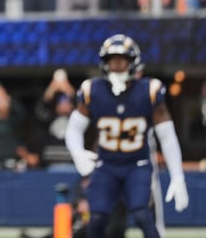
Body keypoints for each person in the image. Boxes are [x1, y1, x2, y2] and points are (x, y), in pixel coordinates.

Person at [65, 34, 189, 238]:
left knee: (142, 214)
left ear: (133, 62)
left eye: (122, 60)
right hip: (106, 165)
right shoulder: (92, 90)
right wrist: (77, 153)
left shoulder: (149, 90)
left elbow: (167, 136)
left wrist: (178, 177)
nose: (117, 65)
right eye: (112, 60)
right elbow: (74, 128)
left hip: (137, 165)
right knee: (97, 218)